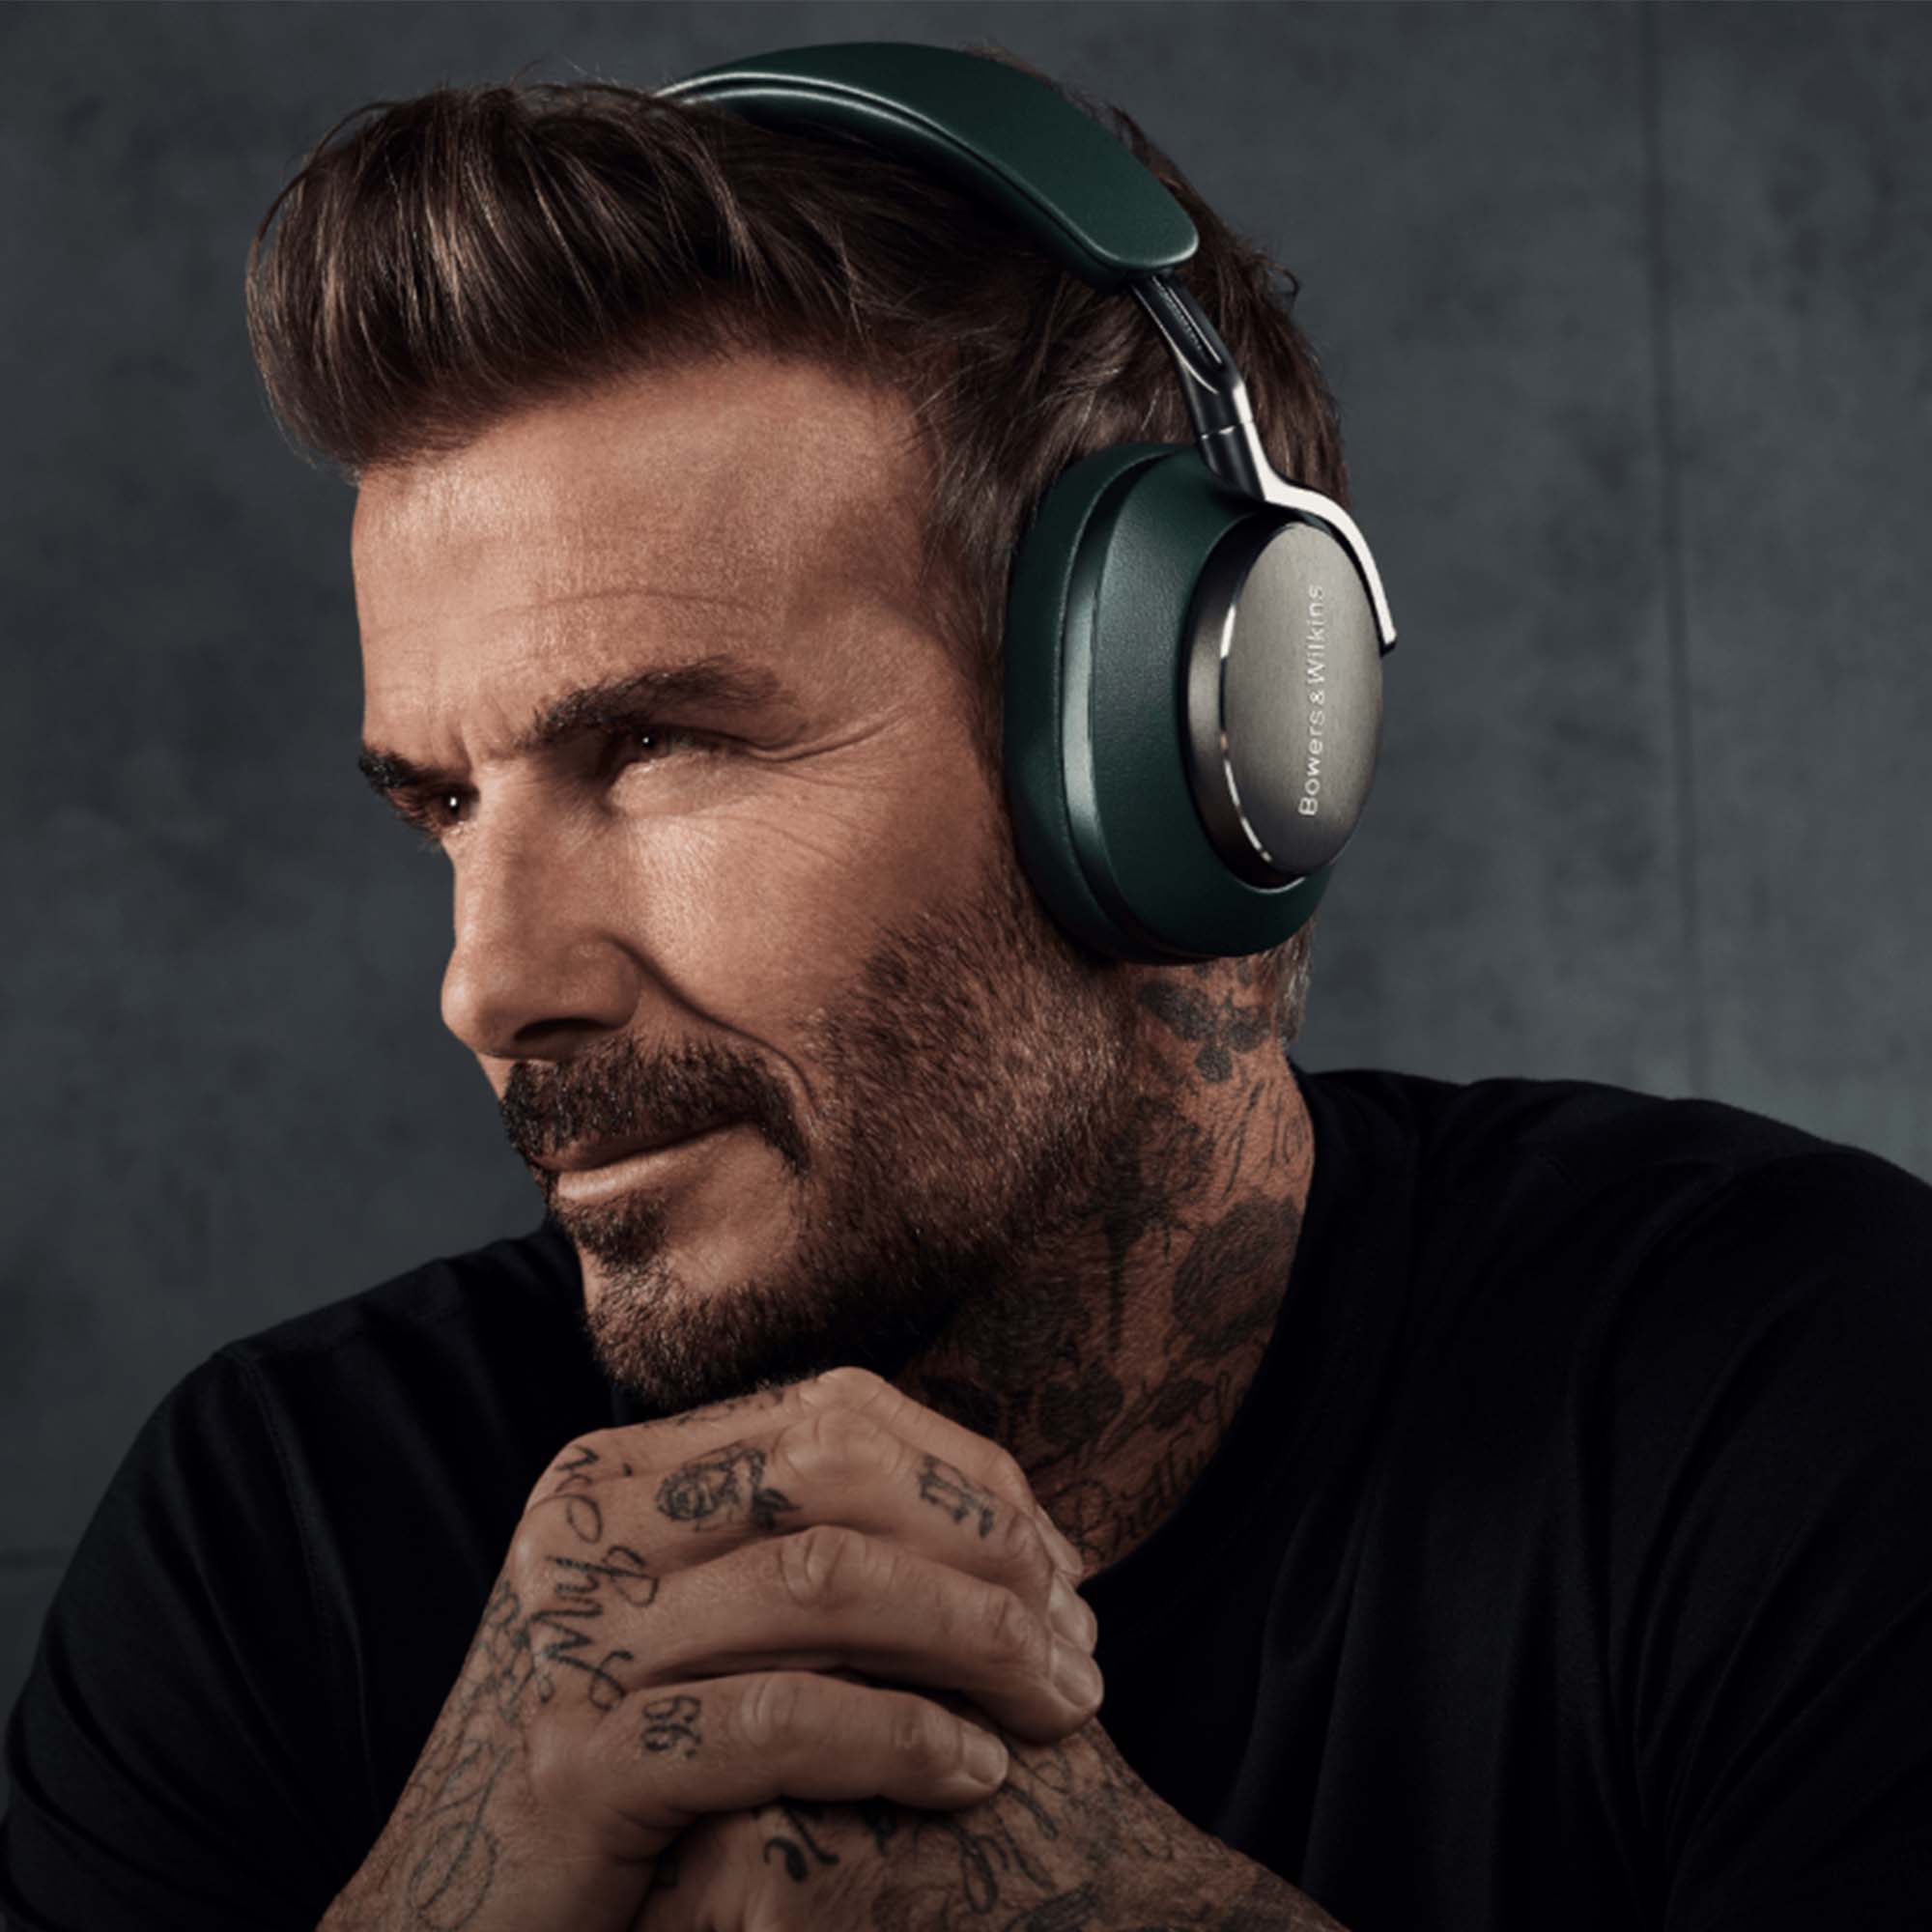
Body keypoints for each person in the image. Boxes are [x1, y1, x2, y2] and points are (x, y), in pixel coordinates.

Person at [6, 38, 1931, 1932]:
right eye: (444, 803)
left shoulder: (1796, 1402)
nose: (490, 983)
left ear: (1174, 748)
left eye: (659, 747)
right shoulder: (272, 1533)